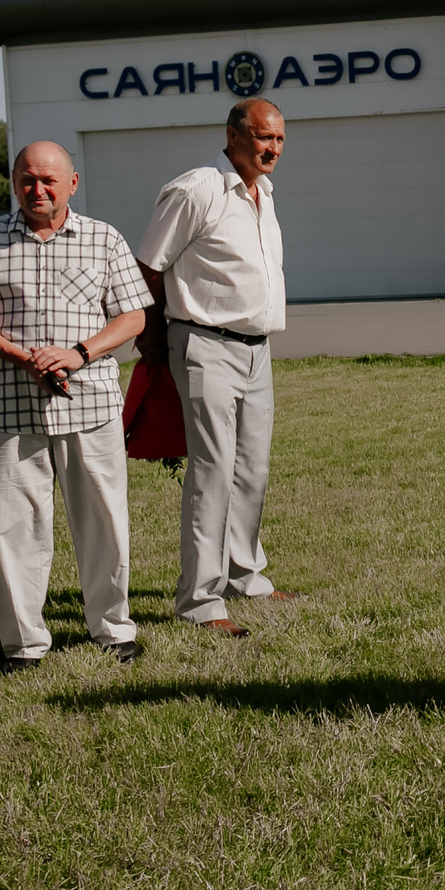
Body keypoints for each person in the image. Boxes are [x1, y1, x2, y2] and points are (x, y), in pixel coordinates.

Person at [0, 142, 152, 673]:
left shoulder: (104, 239)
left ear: (73, 183)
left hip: (92, 405)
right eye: (27, 180)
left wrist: (78, 353)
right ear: (14, 182)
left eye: (49, 181)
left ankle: (113, 628)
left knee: (104, 521)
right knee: (15, 529)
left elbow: (132, 319)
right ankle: (24, 643)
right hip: (13, 407)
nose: (38, 190)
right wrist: (21, 357)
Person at [135, 100, 299, 637]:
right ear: (232, 135)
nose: (271, 148)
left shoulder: (264, 196)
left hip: (257, 349)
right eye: (262, 137)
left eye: (278, 139)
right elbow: (148, 268)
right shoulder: (199, 189)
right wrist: (154, 339)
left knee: (252, 469)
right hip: (204, 343)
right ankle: (200, 602)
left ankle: (245, 576)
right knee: (212, 472)